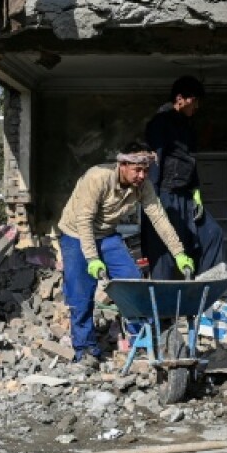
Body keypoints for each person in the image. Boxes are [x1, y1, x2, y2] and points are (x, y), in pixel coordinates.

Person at [57, 140, 195, 364]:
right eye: (137, 170)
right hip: (76, 235)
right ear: (122, 165)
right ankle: (86, 350)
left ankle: (139, 338)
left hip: (107, 235)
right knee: (81, 294)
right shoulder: (98, 178)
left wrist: (179, 253)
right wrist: (92, 258)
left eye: (146, 170)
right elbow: (84, 220)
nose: (142, 175)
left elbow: (159, 217)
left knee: (132, 283)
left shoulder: (143, 186)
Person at [142, 76, 227, 279]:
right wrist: (152, 198)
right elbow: (156, 159)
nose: (197, 107)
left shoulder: (186, 126)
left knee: (212, 233)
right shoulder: (160, 123)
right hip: (165, 193)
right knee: (165, 247)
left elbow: (189, 160)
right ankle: (164, 303)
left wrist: (196, 190)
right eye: (194, 101)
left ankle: (205, 289)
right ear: (180, 99)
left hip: (185, 195)